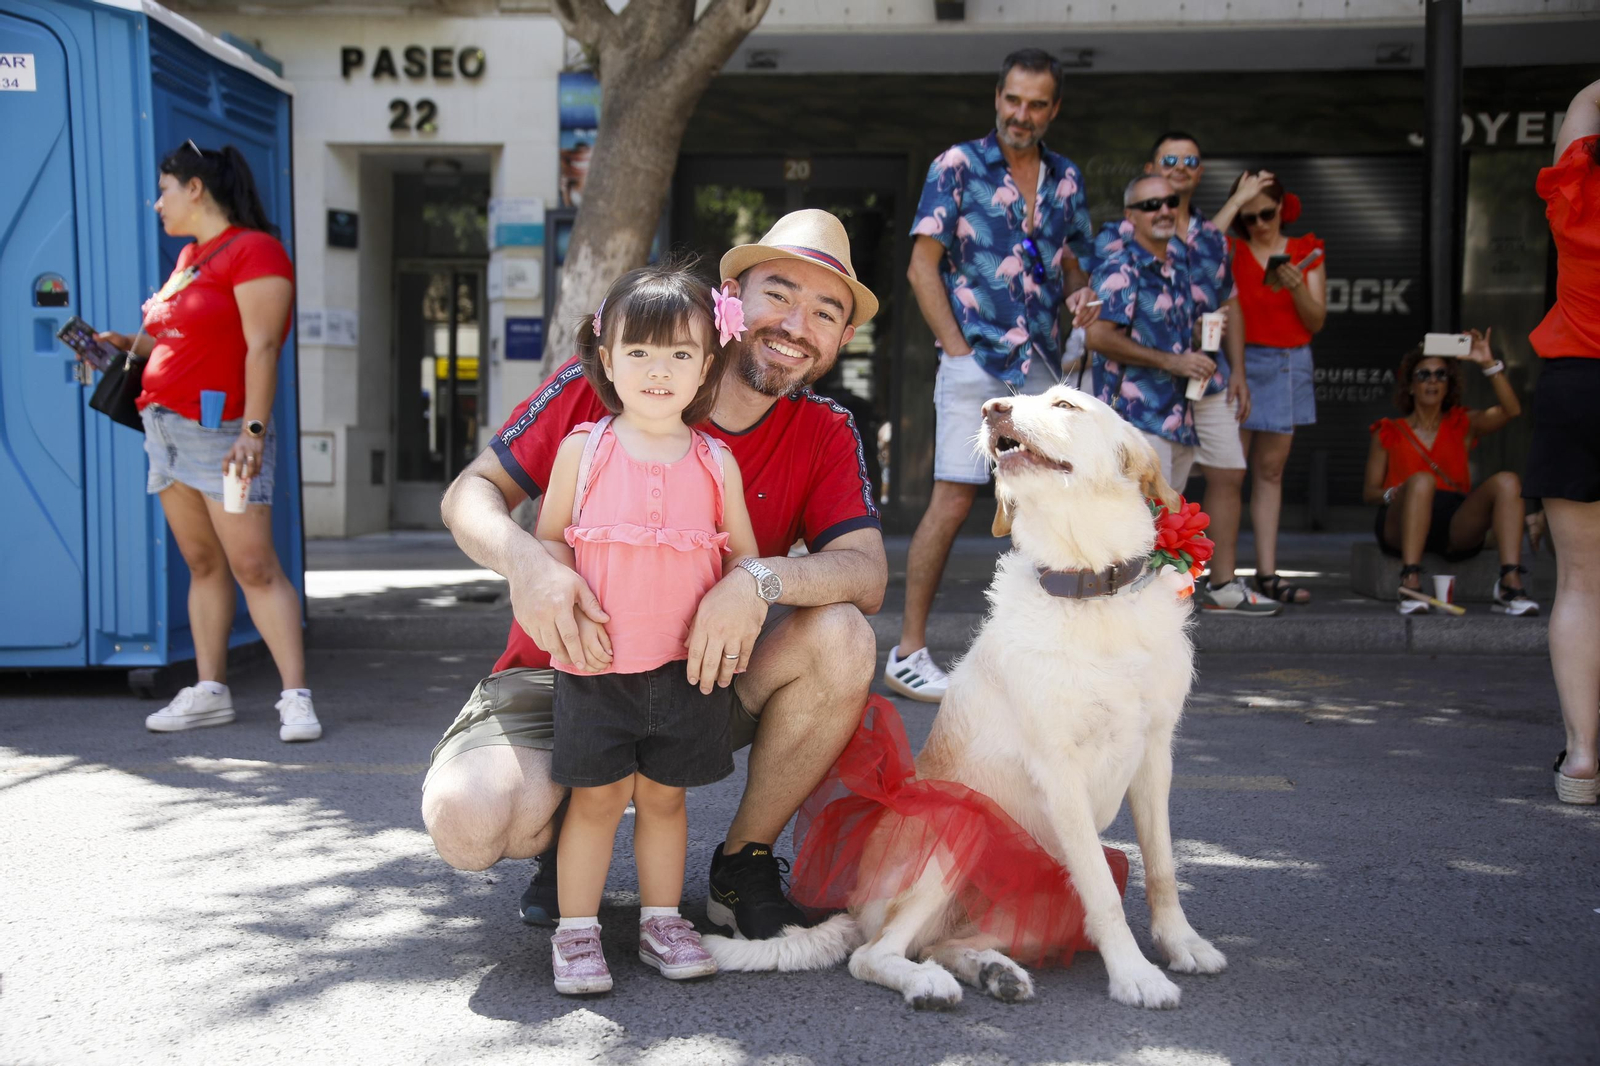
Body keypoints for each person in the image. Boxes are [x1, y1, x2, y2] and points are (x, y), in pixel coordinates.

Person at [422, 210, 888, 940]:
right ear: (731, 298)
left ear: (843, 337)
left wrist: (756, 581)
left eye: (825, 312)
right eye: (779, 293)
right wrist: (528, 565)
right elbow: (468, 494)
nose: (797, 325)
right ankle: (570, 824)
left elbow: (866, 572)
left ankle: (741, 863)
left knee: (844, 635)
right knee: (469, 823)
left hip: (692, 677)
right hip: (564, 671)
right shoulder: (607, 380)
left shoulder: (825, 429)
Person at [534, 265, 758, 994]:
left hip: (687, 671)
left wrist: (735, 605)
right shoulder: (585, 450)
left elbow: (746, 559)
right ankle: (576, 931)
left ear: (709, 364)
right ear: (606, 359)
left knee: (665, 798)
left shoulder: (716, 462)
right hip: (595, 667)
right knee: (596, 800)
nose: (659, 370)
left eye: (681, 353)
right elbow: (549, 541)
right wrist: (564, 599)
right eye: (639, 352)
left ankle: (662, 921)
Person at [888, 48, 1100, 701]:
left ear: (1053, 110)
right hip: (974, 358)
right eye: (1013, 99)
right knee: (954, 499)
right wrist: (956, 349)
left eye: (1036, 104)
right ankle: (908, 651)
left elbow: (1074, 266)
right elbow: (921, 266)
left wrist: (1081, 301)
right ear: (997, 97)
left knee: (1048, 501)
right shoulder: (956, 166)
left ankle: (1044, 652)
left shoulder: (1066, 179)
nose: (1021, 114)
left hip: (1043, 365)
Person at [92, 141, 318, 743]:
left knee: (254, 566)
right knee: (202, 562)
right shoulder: (192, 256)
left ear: (195, 188)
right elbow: (186, 339)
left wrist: (253, 431)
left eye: (164, 190)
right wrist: (128, 346)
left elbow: (262, 346)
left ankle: (295, 697)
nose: (158, 203)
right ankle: (210, 689)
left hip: (225, 434)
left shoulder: (254, 251)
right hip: (165, 431)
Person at [1142, 132, 1279, 617]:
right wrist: (1238, 200)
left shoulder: (1210, 234)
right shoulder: (1138, 221)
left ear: (1200, 172)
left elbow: (1229, 301)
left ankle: (1222, 584)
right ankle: (1157, 588)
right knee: (1158, 487)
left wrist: (1237, 369)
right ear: (1151, 168)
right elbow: (1177, 252)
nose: (1180, 166)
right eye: (1170, 158)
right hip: (1151, 383)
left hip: (1209, 376)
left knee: (1230, 471)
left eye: (1190, 160)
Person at [1523, 78, 1600, 804]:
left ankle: (1581, 758)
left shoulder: (1577, 192)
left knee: (1580, 583)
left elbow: (1586, 100)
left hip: (1578, 384)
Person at [1212, 170, 1326, 607]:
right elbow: (1201, 243)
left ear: (1282, 208)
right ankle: (1223, 576)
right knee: (1230, 472)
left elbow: (1315, 321)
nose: (1259, 224)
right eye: (1249, 217)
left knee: (1271, 472)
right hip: (1239, 361)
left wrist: (1297, 289)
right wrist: (1236, 200)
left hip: (1287, 361)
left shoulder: (1305, 250)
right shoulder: (1231, 248)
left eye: (1266, 214)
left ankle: (1267, 572)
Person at [1364, 331, 1537, 618]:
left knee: (1508, 481)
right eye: (1424, 375)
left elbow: (1512, 410)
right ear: (1410, 386)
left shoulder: (1462, 423)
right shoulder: (1388, 431)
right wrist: (1394, 493)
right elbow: (1369, 493)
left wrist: (1488, 363)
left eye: (1440, 375)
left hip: (1453, 521)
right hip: (1401, 517)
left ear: (1448, 384)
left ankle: (1509, 582)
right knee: (1422, 480)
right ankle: (1410, 581)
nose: (1432, 381)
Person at [1083, 175, 1214, 488]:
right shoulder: (1120, 268)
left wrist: (1197, 335)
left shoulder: (1177, 268)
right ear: (1131, 215)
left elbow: (1161, 334)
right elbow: (1097, 336)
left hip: (1177, 419)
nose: (1164, 210)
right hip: (1135, 421)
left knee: (1169, 517)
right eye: (1152, 205)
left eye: (1171, 202)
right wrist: (1172, 362)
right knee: (1142, 517)